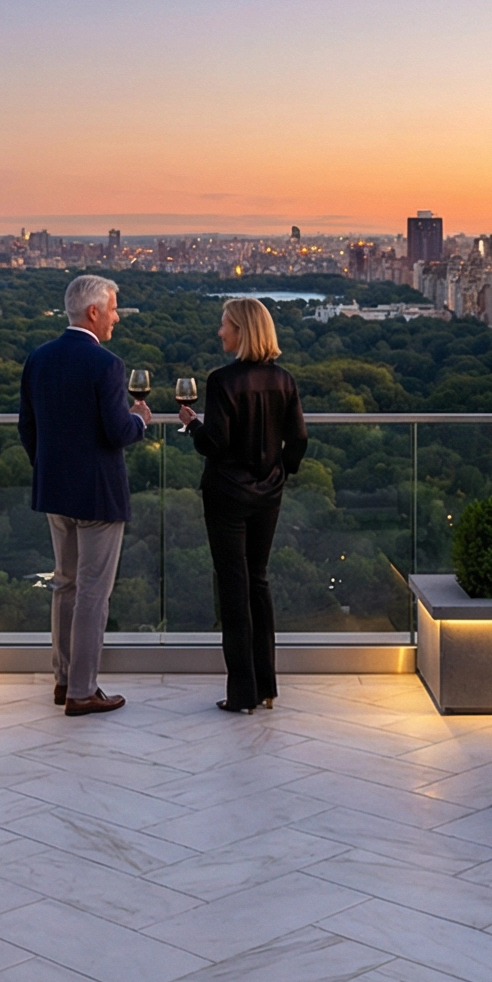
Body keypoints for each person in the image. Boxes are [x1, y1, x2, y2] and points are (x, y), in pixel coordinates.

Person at [18, 274, 149, 716]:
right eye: (113, 308)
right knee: (94, 592)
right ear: (93, 312)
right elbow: (117, 432)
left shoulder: (38, 359)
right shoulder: (106, 364)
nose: (116, 316)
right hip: (98, 496)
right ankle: (82, 691)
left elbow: (27, 428)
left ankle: (62, 680)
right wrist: (141, 419)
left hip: (55, 491)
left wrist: (50, 468)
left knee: (65, 585)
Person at [178, 296, 306, 713]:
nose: (220, 332)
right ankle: (267, 686)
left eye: (225, 325)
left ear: (242, 331)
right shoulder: (284, 380)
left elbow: (214, 443)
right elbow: (298, 440)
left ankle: (242, 694)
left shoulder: (222, 381)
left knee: (233, 588)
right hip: (268, 495)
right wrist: (279, 473)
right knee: (259, 582)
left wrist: (192, 424)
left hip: (226, 495)